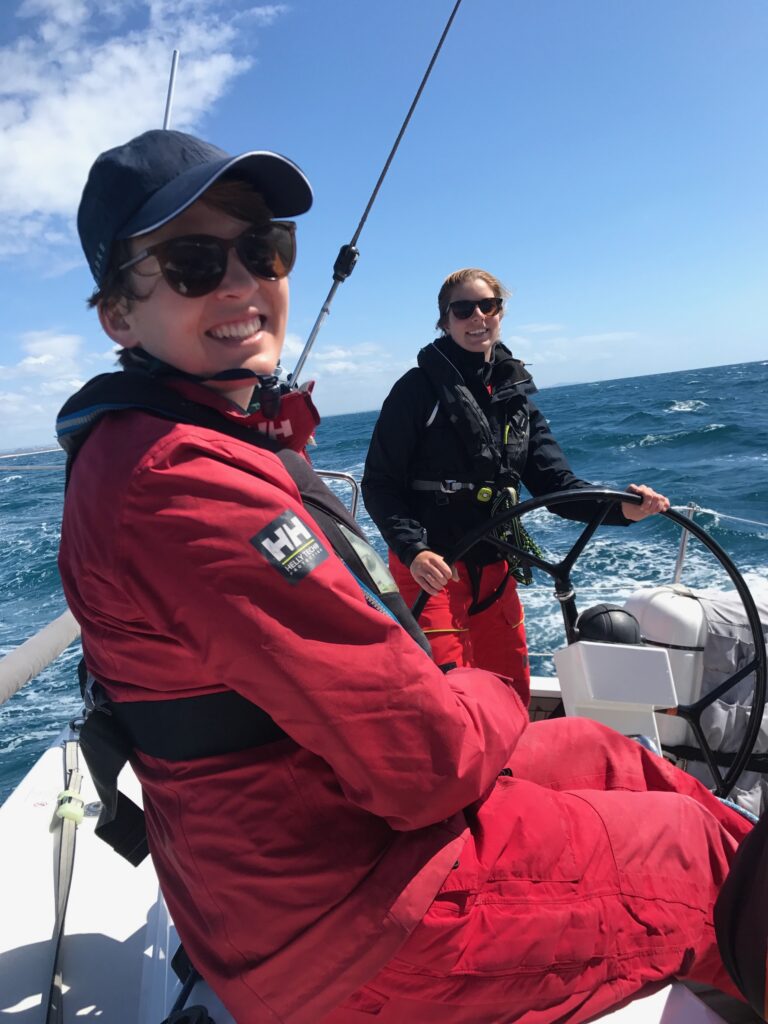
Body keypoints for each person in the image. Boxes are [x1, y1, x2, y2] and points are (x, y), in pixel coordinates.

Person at [57, 129, 756, 1024]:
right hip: (348, 919)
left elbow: (551, 480)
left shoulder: (190, 441)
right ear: (118, 314)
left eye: (262, 249)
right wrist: (493, 693)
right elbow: (428, 761)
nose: (241, 282)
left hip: (326, 846)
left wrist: (610, 508)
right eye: (192, 263)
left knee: (606, 754)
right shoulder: (181, 478)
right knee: (696, 854)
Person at [362, 269, 669, 702]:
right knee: (449, 697)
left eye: (488, 306)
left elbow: (558, 487)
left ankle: (511, 770)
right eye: (463, 309)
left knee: (509, 691)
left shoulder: (515, 400)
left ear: (500, 313)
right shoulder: (415, 392)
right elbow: (379, 483)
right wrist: (413, 550)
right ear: (444, 320)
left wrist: (623, 510)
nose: (477, 317)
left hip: (495, 572)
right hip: (431, 572)